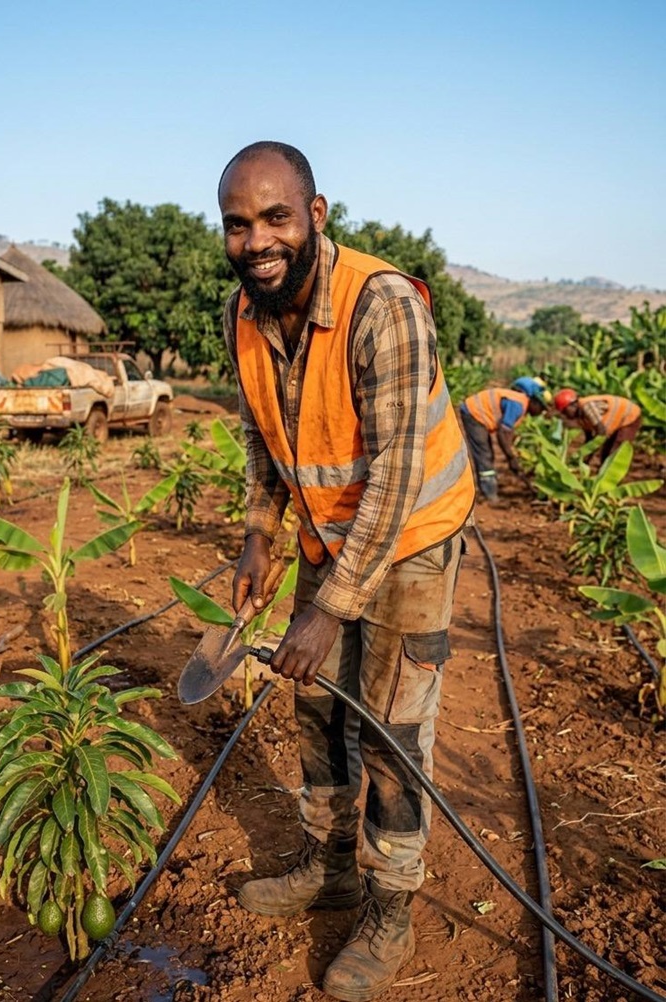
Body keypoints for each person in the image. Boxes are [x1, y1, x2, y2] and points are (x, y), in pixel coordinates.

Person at [218, 140, 475, 1002]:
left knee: (393, 729)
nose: (258, 240)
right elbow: (262, 436)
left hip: (415, 534)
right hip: (331, 535)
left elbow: (397, 475)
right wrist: (260, 535)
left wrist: (327, 608)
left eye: (276, 217)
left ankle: (390, 908)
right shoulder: (243, 313)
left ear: (316, 215)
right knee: (320, 705)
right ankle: (327, 866)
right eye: (238, 224)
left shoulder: (382, 305)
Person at [459, 377, 549, 502]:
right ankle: (489, 494)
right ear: (535, 402)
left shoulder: (521, 403)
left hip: (477, 413)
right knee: (484, 454)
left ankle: (487, 489)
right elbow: (502, 433)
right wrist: (510, 457)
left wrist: (511, 453)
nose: (541, 412)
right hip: (473, 413)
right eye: (542, 408)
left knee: (486, 453)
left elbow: (508, 432)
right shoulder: (518, 405)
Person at [553, 388, 642, 462]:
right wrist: (584, 461)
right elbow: (590, 440)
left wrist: (586, 457)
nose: (565, 415)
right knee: (605, 454)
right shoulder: (581, 416)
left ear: (573, 405)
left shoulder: (588, 407)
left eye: (565, 411)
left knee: (616, 452)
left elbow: (601, 433)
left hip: (630, 416)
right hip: (616, 423)